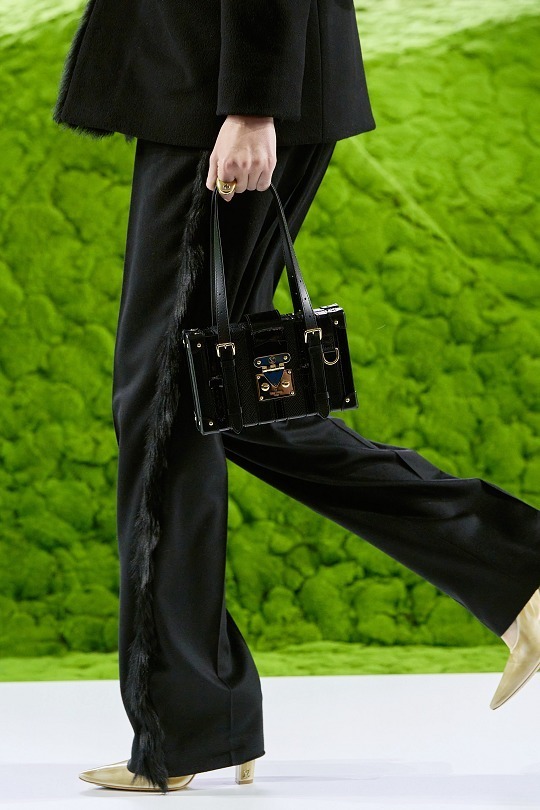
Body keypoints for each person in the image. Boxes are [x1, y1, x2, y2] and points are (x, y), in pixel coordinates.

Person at [51, 0, 540, 795]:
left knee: (166, 403)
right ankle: (514, 566)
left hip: (220, 98)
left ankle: (188, 727)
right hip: (209, 89)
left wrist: (252, 106)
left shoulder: (240, 105)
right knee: (212, 399)